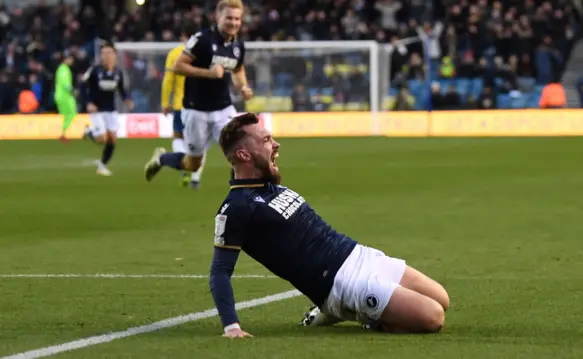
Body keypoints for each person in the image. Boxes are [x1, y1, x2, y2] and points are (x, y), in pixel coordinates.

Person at [188, 113, 450, 338]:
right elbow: (220, 271)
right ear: (244, 154)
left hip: (358, 254)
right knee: (433, 318)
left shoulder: (269, 185)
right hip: (342, 285)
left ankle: (338, 313)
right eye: (266, 140)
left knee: (442, 299)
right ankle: (359, 315)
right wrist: (231, 326)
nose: (276, 144)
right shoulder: (236, 208)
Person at [143, 0, 253, 187]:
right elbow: (178, 66)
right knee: (193, 165)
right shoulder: (202, 39)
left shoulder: (237, 46)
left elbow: (238, 68)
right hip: (196, 110)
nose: (233, 23)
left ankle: (241, 200)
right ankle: (162, 158)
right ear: (217, 17)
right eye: (229, 18)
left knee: (242, 153)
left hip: (223, 109)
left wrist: (243, 86)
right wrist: (208, 73)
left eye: (237, 19)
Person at [82, 42, 134, 176]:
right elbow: (82, 86)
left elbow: (121, 89)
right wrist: (88, 103)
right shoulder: (94, 70)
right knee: (101, 139)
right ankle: (89, 132)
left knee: (112, 139)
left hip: (111, 109)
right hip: (97, 109)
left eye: (109, 53)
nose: (106, 56)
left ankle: (102, 166)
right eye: (103, 54)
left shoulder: (118, 72)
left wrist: (127, 99)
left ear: (115, 55)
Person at [161, 26, 196, 187]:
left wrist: (164, 102)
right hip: (201, 104)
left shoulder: (175, 53)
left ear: (183, 36)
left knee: (178, 137)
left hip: (180, 104)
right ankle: (195, 178)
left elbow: (168, 80)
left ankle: (183, 164)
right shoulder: (205, 53)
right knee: (198, 141)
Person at [54, 53, 77, 143]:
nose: (72, 61)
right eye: (71, 59)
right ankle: (63, 134)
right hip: (65, 96)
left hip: (63, 96)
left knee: (68, 115)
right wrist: (72, 90)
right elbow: (65, 84)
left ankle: (64, 134)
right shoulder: (64, 69)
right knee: (70, 114)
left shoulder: (62, 68)